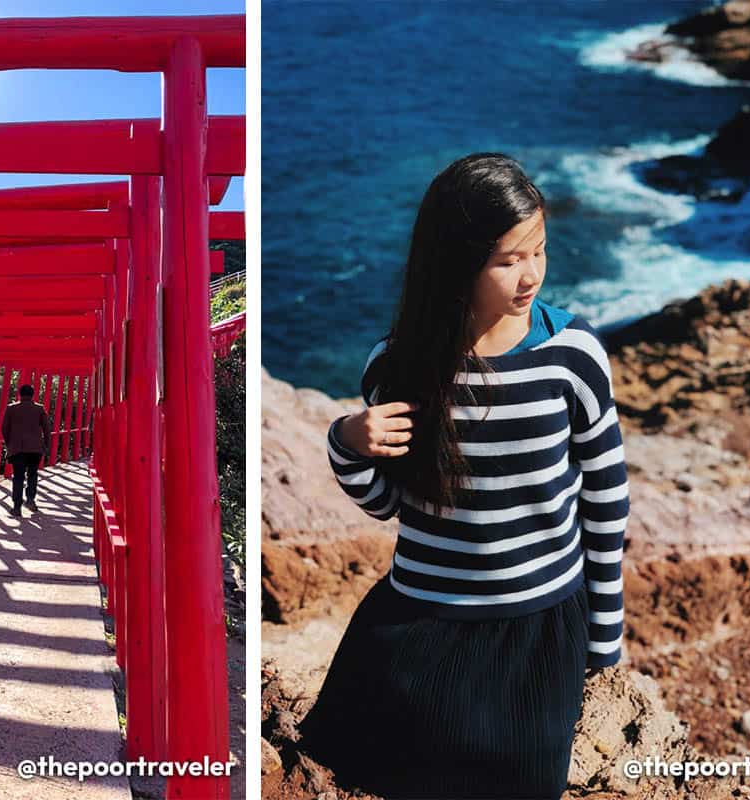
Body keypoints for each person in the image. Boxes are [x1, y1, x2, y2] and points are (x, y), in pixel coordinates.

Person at [298, 153, 631, 800]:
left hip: (540, 628)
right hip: (423, 625)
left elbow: (607, 501)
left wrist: (605, 633)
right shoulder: (397, 366)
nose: (529, 274)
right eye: (507, 260)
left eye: (538, 251)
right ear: (455, 261)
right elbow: (390, 502)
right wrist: (346, 442)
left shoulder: (574, 355)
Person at [1, 383, 51, 517]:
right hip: (35, 448)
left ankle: (17, 506)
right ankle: (30, 499)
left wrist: (9, 443)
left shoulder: (12, 408)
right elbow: (46, 429)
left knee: (18, 477)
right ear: (33, 395)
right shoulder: (39, 409)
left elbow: (4, 428)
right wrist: (46, 445)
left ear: (20, 394)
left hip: (17, 448)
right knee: (33, 474)